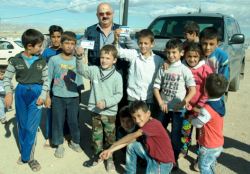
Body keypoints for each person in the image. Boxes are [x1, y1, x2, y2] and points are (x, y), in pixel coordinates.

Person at [3, 29, 49, 172]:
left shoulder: (42, 61)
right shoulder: (15, 60)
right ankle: (25, 153)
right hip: (21, 93)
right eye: (39, 45)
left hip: (36, 93)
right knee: (22, 126)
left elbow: (47, 80)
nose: (41, 48)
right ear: (29, 46)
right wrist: (9, 93)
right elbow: (6, 78)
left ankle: (30, 157)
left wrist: (43, 96)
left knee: (31, 128)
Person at [76, 44, 123, 172]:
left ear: (114, 60)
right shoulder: (95, 70)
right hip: (95, 111)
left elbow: (119, 95)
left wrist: (106, 102)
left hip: (110, 113)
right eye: (102, 57)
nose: (104, 60)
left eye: (108, 58)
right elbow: (81, 70)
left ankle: (110, 159)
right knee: (96, 136)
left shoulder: (117, 77)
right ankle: (98, 156)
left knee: (110, 138)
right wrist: (79, 57)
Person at [99, 101, 175, 174]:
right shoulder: (145, 125)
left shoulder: (153, 124)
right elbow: (128, 141)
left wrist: (112, 145)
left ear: (148, 113)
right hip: (152, 156)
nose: (137, 120)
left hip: (161, 163)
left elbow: (131, 136)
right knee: (132, 146)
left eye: (139, 116)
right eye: (134, 118)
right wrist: (110, 150)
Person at [153, 38, 196, 164]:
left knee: (176, 135)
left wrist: (183, 103)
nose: (171, 55)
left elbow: (192, 89)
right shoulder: (163, 67)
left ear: (181, 53)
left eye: (174, 52)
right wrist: (161, 102)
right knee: (159, 132)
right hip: (164, 108)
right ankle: (159, 155)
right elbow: (156, 87)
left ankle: (173, 159)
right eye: (168, 52)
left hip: (178, 110)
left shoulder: (184, 70)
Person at [47, 31, 83, 158]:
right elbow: (48, 78)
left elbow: (81, 77)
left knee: (73, 121)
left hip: (73, 97)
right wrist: (47, 96)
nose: (69, 46)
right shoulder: (53, 60)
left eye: (72, 43)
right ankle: (59, 144)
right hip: (58, 97)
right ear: (61, 44)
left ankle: (75, 141)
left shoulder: (77, 60)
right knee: (58, 121)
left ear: (75, 45)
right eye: (66, 43)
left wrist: (80, 95)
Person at [114, 29, 164, 115]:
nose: (143, 46)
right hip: (133, 97)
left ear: (152, 44)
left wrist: (166, 62)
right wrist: (116, 40)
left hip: (149, 98)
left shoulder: (158, 60)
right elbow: (118, 52)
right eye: (140, 43)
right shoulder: (134, 54)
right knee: (133, 121)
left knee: (147, 124)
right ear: (137, 43)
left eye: (146, 43)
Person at [179, 43, 213, 161]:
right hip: (186, 106)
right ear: (184, 55)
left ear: (200, 57)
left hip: (201, 107)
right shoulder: (181, 67)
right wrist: (185, 101)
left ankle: (199, 154)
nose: (192, 59)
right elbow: (180, 87)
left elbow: (208, 90)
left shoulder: (205, 69)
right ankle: (184, 149)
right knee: (185, 130)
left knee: (201, 133)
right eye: (189, 56)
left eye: (195, 57)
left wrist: (200, 105)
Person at [190, 73, 228, 173]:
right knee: (210, 163)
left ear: (205, 90)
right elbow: (211, 115)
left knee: (204, 167)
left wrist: (191, 119)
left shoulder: (207, 109)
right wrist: (199, 111)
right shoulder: (220, 103)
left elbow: (198, 124)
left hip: (209, 145)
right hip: (218, 143)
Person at [84, 2, 136, 66]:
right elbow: (83, 51)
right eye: (101, 14)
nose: (105, 16)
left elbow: (135, 49)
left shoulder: (123, 30)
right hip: (96, 72)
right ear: (97, 15)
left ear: (113, 14)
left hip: (118, 73)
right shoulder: (90, 31)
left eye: (108, 13)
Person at [42, 25, 64, 147]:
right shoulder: (46, 52)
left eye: (58, 37)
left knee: (63, 112)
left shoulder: (66, 50)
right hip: (50, 86)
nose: (56, 39)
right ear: (50, 38)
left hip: (63, 86)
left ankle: (64, 133)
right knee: (49, 111)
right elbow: (43, 70)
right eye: (53, 37)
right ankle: (48, 136)